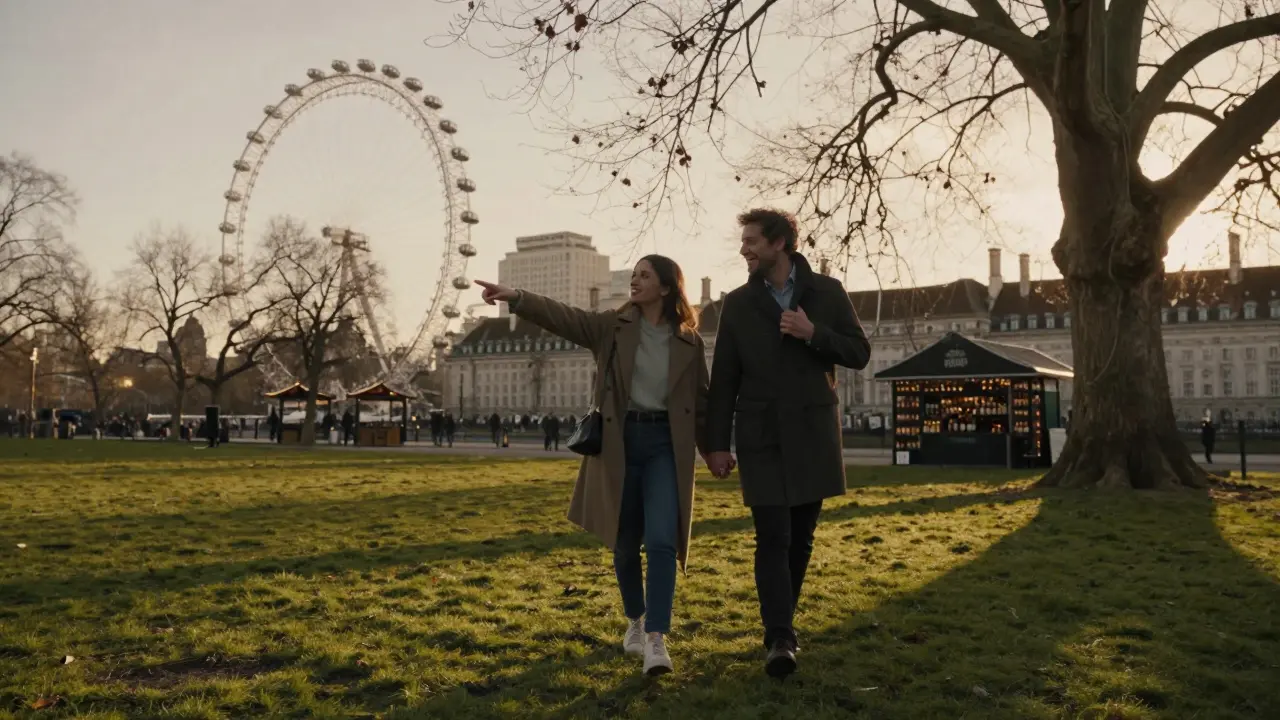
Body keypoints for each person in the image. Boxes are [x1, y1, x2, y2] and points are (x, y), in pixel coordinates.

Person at [475, 255, 716, 676]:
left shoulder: (689, 342)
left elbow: (703, 403)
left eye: (644, 275)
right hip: (620, 444)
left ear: (666, 287)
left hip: (665, 445)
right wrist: (517, 297)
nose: (635, 281)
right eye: (634, 274)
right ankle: (636, 621)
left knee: (662, 541)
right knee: (625, 543)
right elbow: (564, 318)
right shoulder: (611, 328)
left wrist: (713, 449)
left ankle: (657, 638)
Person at [705, 208, 872, 679]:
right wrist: (716, 444)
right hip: (760, 433)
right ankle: (780, 636)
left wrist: (813, 333)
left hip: (813, 432)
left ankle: (781, 626)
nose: (744, 249)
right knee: (772, 537)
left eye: (752, 241)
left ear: (780, 243)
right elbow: (723, 381)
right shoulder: (736, 304)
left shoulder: (829, 292)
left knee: (800, 539)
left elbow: (859, 353)